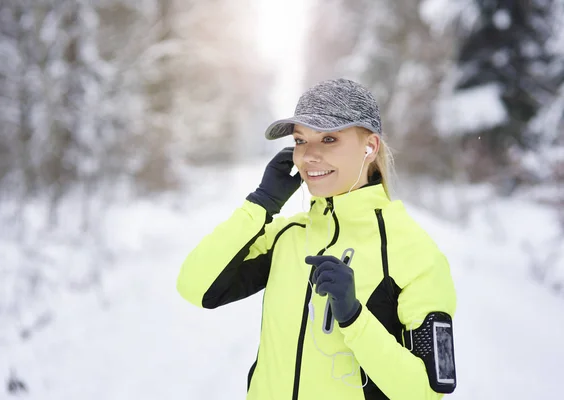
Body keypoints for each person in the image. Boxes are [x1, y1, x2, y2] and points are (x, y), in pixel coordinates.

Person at [176, 78, 458, 400]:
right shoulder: (287, 236)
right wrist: (261, 203)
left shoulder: (412, 251)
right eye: (300, 140)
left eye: (328, 138)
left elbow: (426, 392)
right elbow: (195, 286)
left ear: (370, 146)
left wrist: (354, 317)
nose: (308, 156)